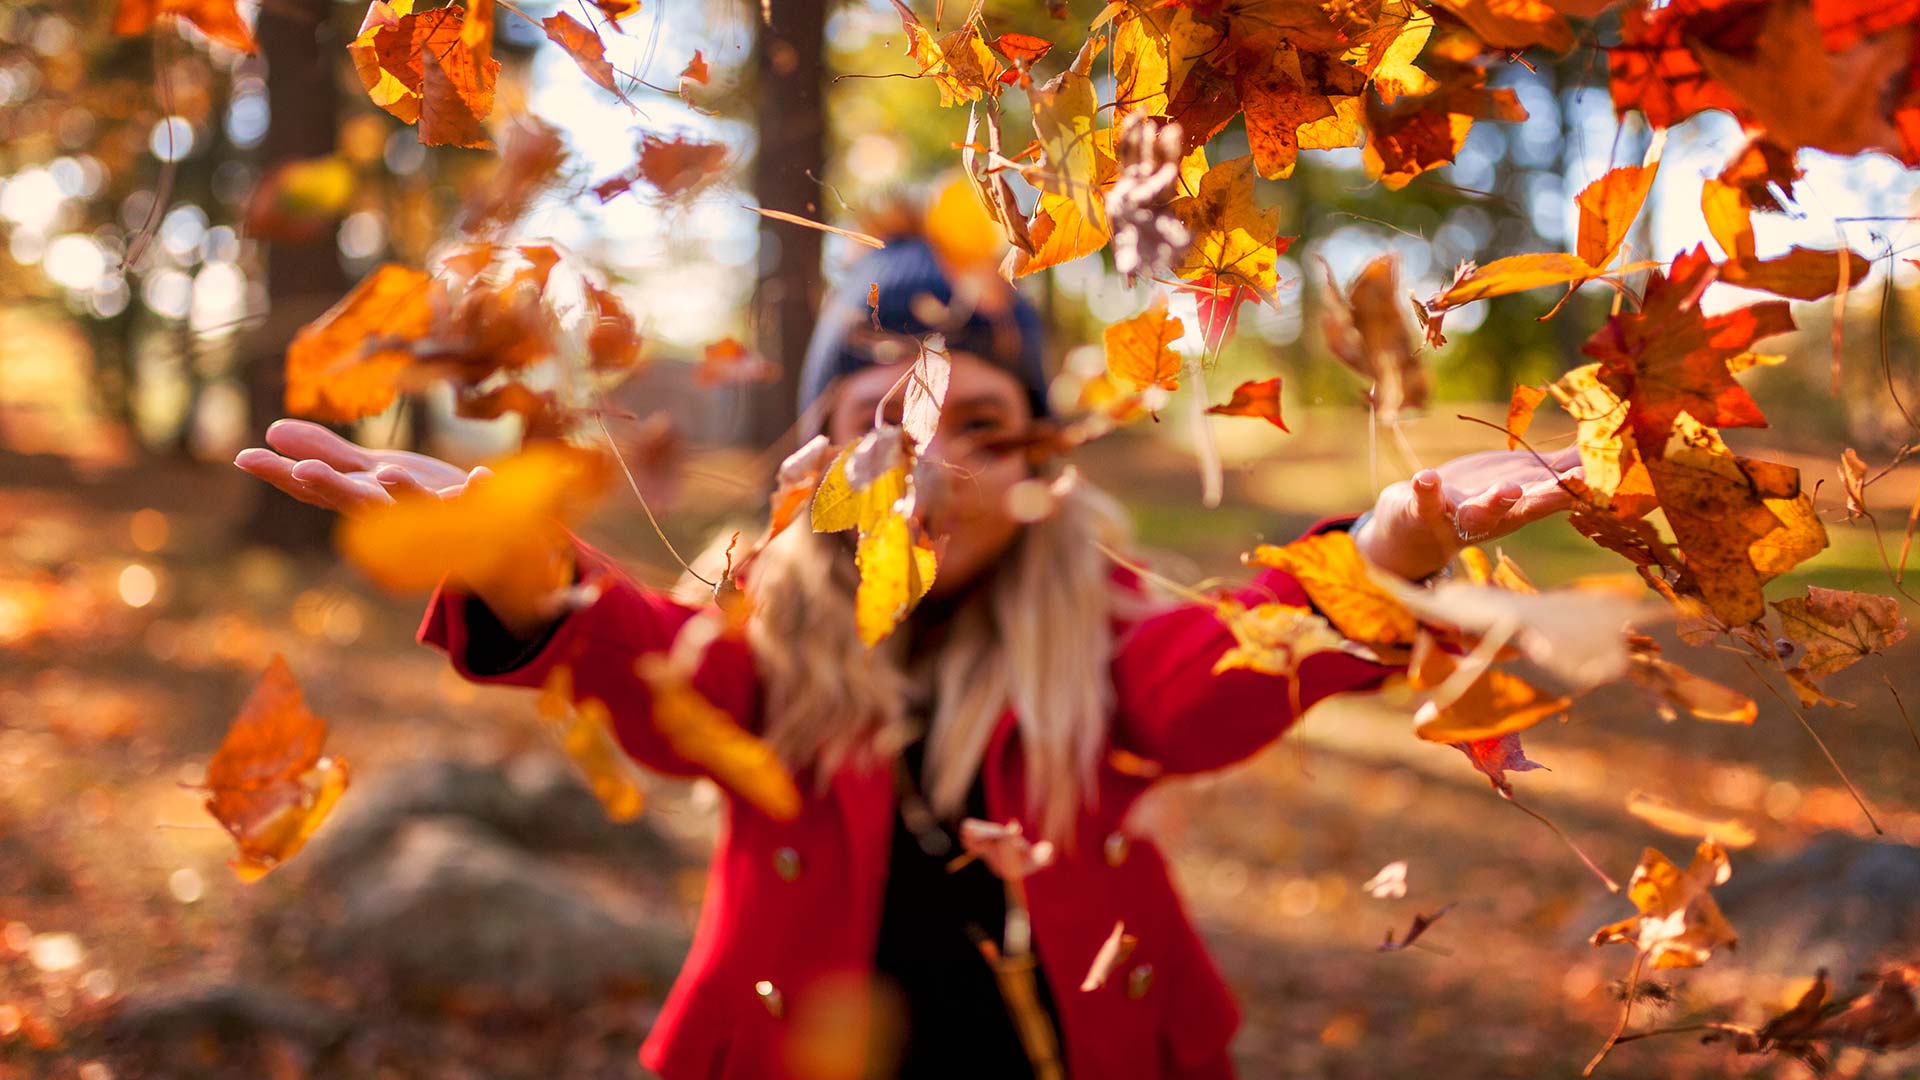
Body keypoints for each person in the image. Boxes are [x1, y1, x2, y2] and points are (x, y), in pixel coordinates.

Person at [235, 234, 1580, 1079]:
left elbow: (1208, 679)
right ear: (818, 454)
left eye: (981, 424)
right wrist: (531, 571)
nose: (932, 458)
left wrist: (1391, 543)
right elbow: (668, 670)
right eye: (886, 416)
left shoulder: (1100, 619)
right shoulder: (770, 621)